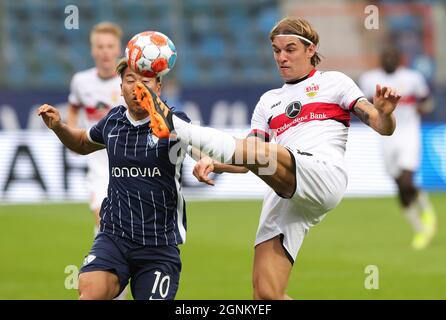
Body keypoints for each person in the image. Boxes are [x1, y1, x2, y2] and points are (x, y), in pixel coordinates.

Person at [133, 17, 401, 300]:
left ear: (311, 50)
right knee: (266, 294)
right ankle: (177, 128)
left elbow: (381, 126)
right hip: (284, 187)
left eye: (290, 49)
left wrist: (385, 113)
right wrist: (214, 164)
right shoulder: (268, 102)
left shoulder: (335, 82)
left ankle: (176, 125)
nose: (281, 57)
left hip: (322, 172)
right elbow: (247, 160)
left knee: (267, 153)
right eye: (276, 50)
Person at [38, 58, 190, 300]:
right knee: (89, 290)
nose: (136, 87)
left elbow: (207, 151)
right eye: (130, 80)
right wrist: (59, 126)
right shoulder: (113, 121)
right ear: (120, 88)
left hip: (158, 245)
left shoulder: (176, 123)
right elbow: (81, 142)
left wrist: (209, 162)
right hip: (115, 237)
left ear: (158, 87)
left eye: (145, 81)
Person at [359, 46, 437, 250]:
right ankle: (419, 225)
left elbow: (427, 101)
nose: (389, 59)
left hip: (408, 133)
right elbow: (365, 107)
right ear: (380, 59)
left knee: (406, 179)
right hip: (385, 137)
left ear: (399, 59)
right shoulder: (369, 79)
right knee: (400, 185)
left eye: (392, 56)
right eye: (386, 56)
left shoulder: (412, 78)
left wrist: (422, 108)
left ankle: (426, 216)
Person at [66, 22, 124, 236]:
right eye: (100, 46)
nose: (105, 52)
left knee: (127, 227)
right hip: (98, 163)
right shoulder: (81, 81)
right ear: (93, 50)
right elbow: (73, 108)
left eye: (110, 46)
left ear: (118, 49)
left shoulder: (129, 80)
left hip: (128, 160)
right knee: (104, 222)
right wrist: (70, 136)